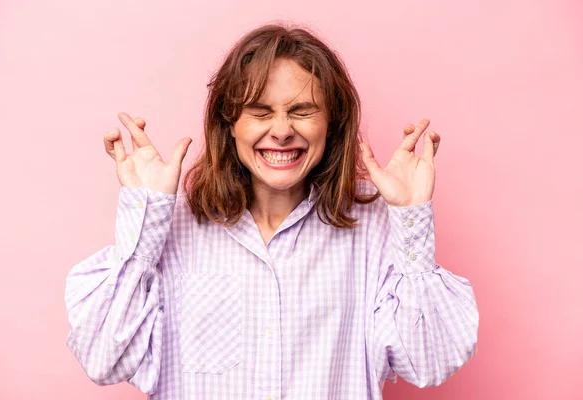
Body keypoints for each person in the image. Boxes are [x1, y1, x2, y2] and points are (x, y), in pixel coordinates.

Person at [65, 23, 478, 400]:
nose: (281, 131)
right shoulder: (168, 227)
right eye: (260, 112)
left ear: (332, 123)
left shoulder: (377, 228)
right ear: (229, 122)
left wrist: (410, 218)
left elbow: (430, 363)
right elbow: (104, 359)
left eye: (301, 111)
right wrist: (146, 215)